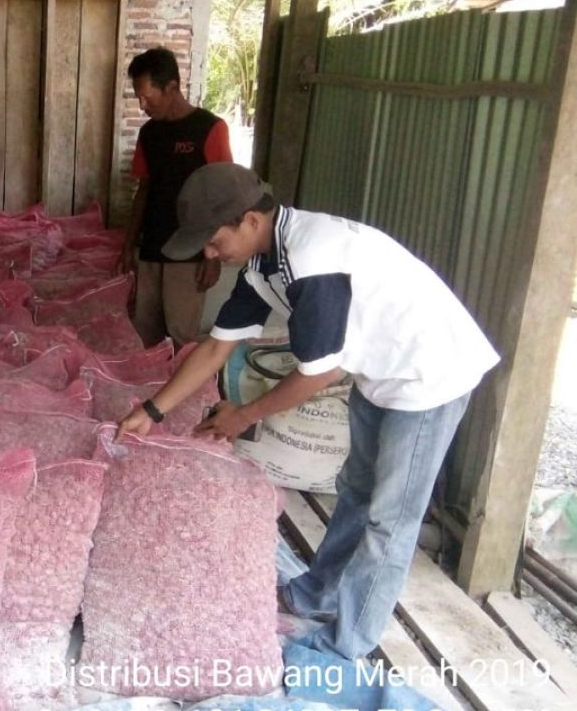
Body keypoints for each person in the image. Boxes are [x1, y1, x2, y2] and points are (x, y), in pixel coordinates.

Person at [118, 163, 499, 661]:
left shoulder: (311, 256)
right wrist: (152, 410)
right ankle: (317, 591)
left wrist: (244, 414)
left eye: (213, 242)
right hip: (378, 368)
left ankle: (348, 644)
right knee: (356, 491)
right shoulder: (261, 263)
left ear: (249, 220)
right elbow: (216, 348)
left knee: (390, 519)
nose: (210, 255)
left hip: (426, 372)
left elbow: (318, 374)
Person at [120, 46, 234, 347]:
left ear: (172, 88)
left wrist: (214, 254)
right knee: (146, 334)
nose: (142, 105)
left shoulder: (210, 129)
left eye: (147, 96)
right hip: (152, 247)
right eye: (138, 97)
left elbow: (224, 195)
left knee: (182, 336)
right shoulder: (149, 134)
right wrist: (128, 246)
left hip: (191, 253)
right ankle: (149, 391)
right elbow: (143, 190)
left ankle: (182, 393)